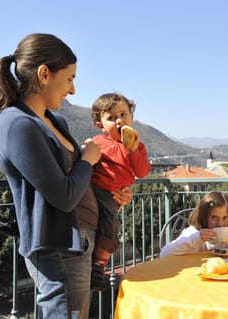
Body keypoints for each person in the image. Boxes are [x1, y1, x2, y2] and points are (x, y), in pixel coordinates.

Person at [0, 33, 132, 318]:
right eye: (69, 79)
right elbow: (64, 196)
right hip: (59, 246)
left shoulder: (55, 120)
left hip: (81, 241)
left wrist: (114, 193)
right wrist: (88, 161)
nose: (73, 90)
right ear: (44, 74)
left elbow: (76, 180)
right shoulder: (16, 124)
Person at [89, 92, 151, 290]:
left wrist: (133, 150)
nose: (119, 120)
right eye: (111, 117)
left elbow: (142, 172)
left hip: (112, 197)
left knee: (111, 229)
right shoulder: (97, 142)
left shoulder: (137, 146)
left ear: (131, 118)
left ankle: (98, 266)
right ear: (100, 124)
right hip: (92, 190)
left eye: (124, 114)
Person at [160, 191, 228, 257]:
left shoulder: (227, 237)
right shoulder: (193, 233)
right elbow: (164, 253)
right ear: (204, 217)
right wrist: (198, 238)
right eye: (214, 217)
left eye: (225, 218)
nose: (221, 224)